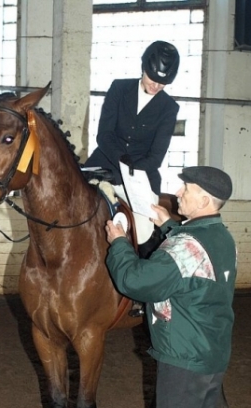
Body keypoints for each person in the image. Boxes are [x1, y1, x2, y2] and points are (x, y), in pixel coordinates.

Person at [105, 166, 237, 408]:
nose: (179, 193)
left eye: (187, 189)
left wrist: (117, 244)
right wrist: (166, 227)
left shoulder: (188, 245)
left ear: (204, 200)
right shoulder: (218, 234)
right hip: (210, 354)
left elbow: (136, 280)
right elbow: (190, 258)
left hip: (183, 356)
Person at [84, 40, 180, 315]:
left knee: (146, 225)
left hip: (140, 175)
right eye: (153, 80)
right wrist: (121, 160)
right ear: (144, 68)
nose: (156, 86)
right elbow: (104, 135)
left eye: (163, 84)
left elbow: (156, 155)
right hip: (104, 164)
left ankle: (141, 294)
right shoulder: (119, 88)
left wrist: (132, 170)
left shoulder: (168, 108)